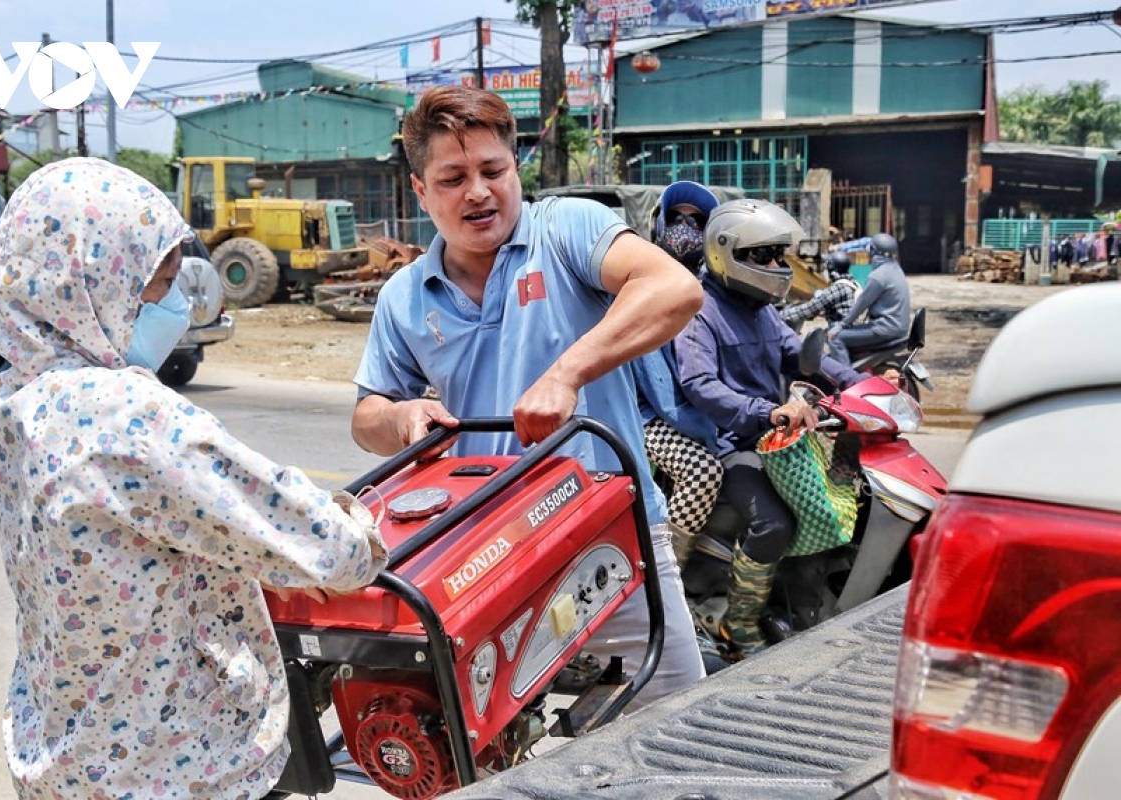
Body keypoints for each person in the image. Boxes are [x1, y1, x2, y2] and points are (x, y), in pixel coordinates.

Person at [0, 158, 387, 799]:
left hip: (61, 753)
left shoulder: (17, 398)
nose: (176, 304)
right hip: (172, 768)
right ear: (94, 284)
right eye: (160, 283)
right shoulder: (122, 415)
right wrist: (362, 529)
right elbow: (323, 547)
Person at [351, 85, 707, 706]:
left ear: (516, 169)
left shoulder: (568, 229)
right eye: (453, 177)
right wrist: (404, 416)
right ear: (420, 190)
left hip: (610, 529)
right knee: (481, 739)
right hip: (484, 547)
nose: (479, 192)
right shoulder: (403, 297)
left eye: (493, 170)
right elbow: (367, 417)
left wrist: (566, 373)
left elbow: (673, 288)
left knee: (678, 717)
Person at [675, 198, 862, 658]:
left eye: (780, 255)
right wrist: (765, 411)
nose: (778, 266)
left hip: (778, 440)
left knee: (834, 501)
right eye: (766, 256)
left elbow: (801, 355)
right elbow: (699, 384)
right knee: (773, 522)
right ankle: (739, 626)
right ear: (727, 252)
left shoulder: (761, 309)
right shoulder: (699, 310)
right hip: (732, 442)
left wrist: (868, 385)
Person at [634, 180, 725, 567]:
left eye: (696, 220)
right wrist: (712, 431)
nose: (685, 227)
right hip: (647, 414)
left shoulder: (711, 284)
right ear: (660, 223)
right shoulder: (644, 281)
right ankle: (668, 569)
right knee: (703, 471)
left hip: (693, 408)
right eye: (677, 217)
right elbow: (662, 393)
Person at [826, 232, 911, 366]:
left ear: (873, 252)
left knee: (835, 338)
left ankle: (846, 380)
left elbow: (861, 304)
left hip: (883, 329)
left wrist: (840, 325)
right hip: (898, 329)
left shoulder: (878, 276)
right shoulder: (897, 270)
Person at [779, 250, 861, 331]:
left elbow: (809, 309)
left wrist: (781, 315)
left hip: (840, 330)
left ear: (831, 270)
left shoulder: (837, 289)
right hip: (854, 327)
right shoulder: (854, 284)